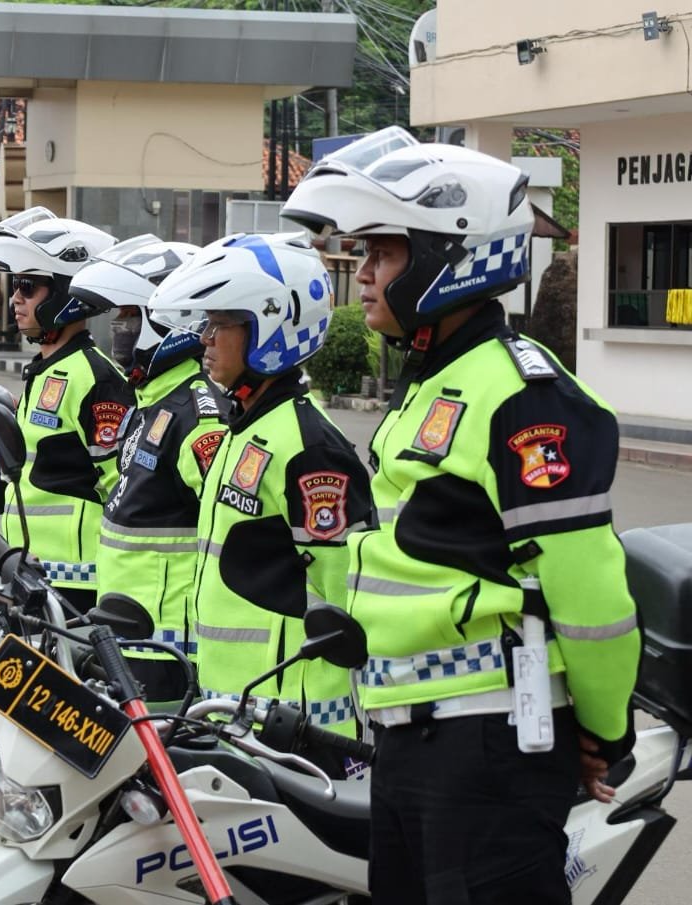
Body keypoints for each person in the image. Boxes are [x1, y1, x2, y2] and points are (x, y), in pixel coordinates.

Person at [283, 140, 640, 904]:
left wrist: (606, 732)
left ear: (453, 256)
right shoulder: (432, 385)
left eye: (383, 250)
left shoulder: (525, 395)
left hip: (488, 748)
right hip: (411, 743)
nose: (366, 272)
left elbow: (590, 590)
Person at [150, 232, 376, 742]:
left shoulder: (308, 447)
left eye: (219, 324)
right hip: (235, 703)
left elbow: (344, 592)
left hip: (296, 718)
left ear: (271, 329)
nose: (204, 339)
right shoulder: (244, 424)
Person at [68, 235, 215, 700]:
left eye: (130, 314)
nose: (118, 326)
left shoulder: (196, 413)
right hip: (129, 631)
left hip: (167, 643)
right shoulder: (151, 402)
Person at [0, 208, 129, 611]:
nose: (15, 298)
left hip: (78, 580)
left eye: (29, 286)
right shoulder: (47, 370)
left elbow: (120, 489)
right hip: (32, 573)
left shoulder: (98, 378)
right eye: (16, 286)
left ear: (64, 293)